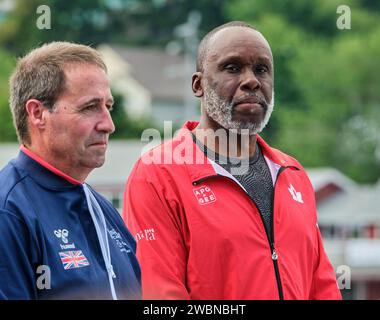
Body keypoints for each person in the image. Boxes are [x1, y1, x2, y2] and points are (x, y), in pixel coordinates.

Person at [123, 21, 341, 300]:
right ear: (198, 85)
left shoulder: (293, 172)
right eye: (233, 68)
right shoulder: (158, 174)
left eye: (262, 69)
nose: (252, 81)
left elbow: (322, 287)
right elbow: (161, 296)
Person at [0, 42, 141, 300]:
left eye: (108, 107)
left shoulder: (102, 210)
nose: (108, 125)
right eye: (89, 107)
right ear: (38, 113)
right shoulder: (9, 211)